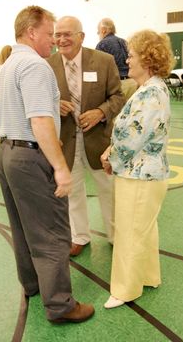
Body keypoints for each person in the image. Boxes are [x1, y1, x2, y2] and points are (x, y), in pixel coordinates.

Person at [0, 6, 94, 324]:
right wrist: (61, 167)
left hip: (6, 153)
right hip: (29, 157)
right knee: (51, 233)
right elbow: (39, 121)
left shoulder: (8, 65)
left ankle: (33, 285)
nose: (54, 40)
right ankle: (61, 305)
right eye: (50, 33)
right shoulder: (35, 66)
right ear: (31, 32)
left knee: (23, 227)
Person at [100, 29, 174, 309]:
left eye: (131, 56)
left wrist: (110, 158)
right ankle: (146, 275)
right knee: (143, 229)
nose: (127, 60)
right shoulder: (148, 89)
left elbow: (132, 138)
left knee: (130, 231)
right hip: (142, 173)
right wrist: (112, 150)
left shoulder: (151, 93)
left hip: (139, 175)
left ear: (147, 59)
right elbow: (128, 133)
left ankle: (125, 289)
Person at [47, 16, 125, 256]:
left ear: (81, 36)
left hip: (98, 140)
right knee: (73, 192)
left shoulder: (103, 61)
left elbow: (118, 97)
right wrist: (54, 104)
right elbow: (39, 101)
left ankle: (115, 235)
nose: (62, 39)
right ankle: (79, 235)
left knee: (108, 190)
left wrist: (100, 112)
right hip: (66, 142)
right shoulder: (46, 65)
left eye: (67, 34)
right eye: (57, 34)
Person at [96, 18, 137, 100]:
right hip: (133, 83)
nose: (98, 34)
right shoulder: (124, 41)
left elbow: (98, 69)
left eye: (98, 32)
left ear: (103, 30)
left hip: (118, 86)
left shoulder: (102, 44)